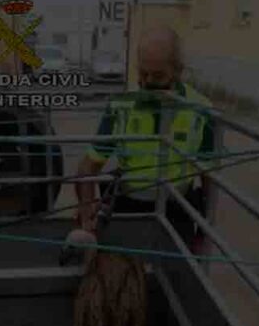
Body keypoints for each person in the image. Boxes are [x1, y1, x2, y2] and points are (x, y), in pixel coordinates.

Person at [75, 25, 216, 253]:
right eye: (142, 73)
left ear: (178, 71)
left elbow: (209, 178)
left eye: (158, 75)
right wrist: (87, 217)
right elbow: (88, 166)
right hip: (128, 206)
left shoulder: (202, 110)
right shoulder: (121, 105)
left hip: (177, 210)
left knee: (177, 278)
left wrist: (204, 229)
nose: (147, 82)